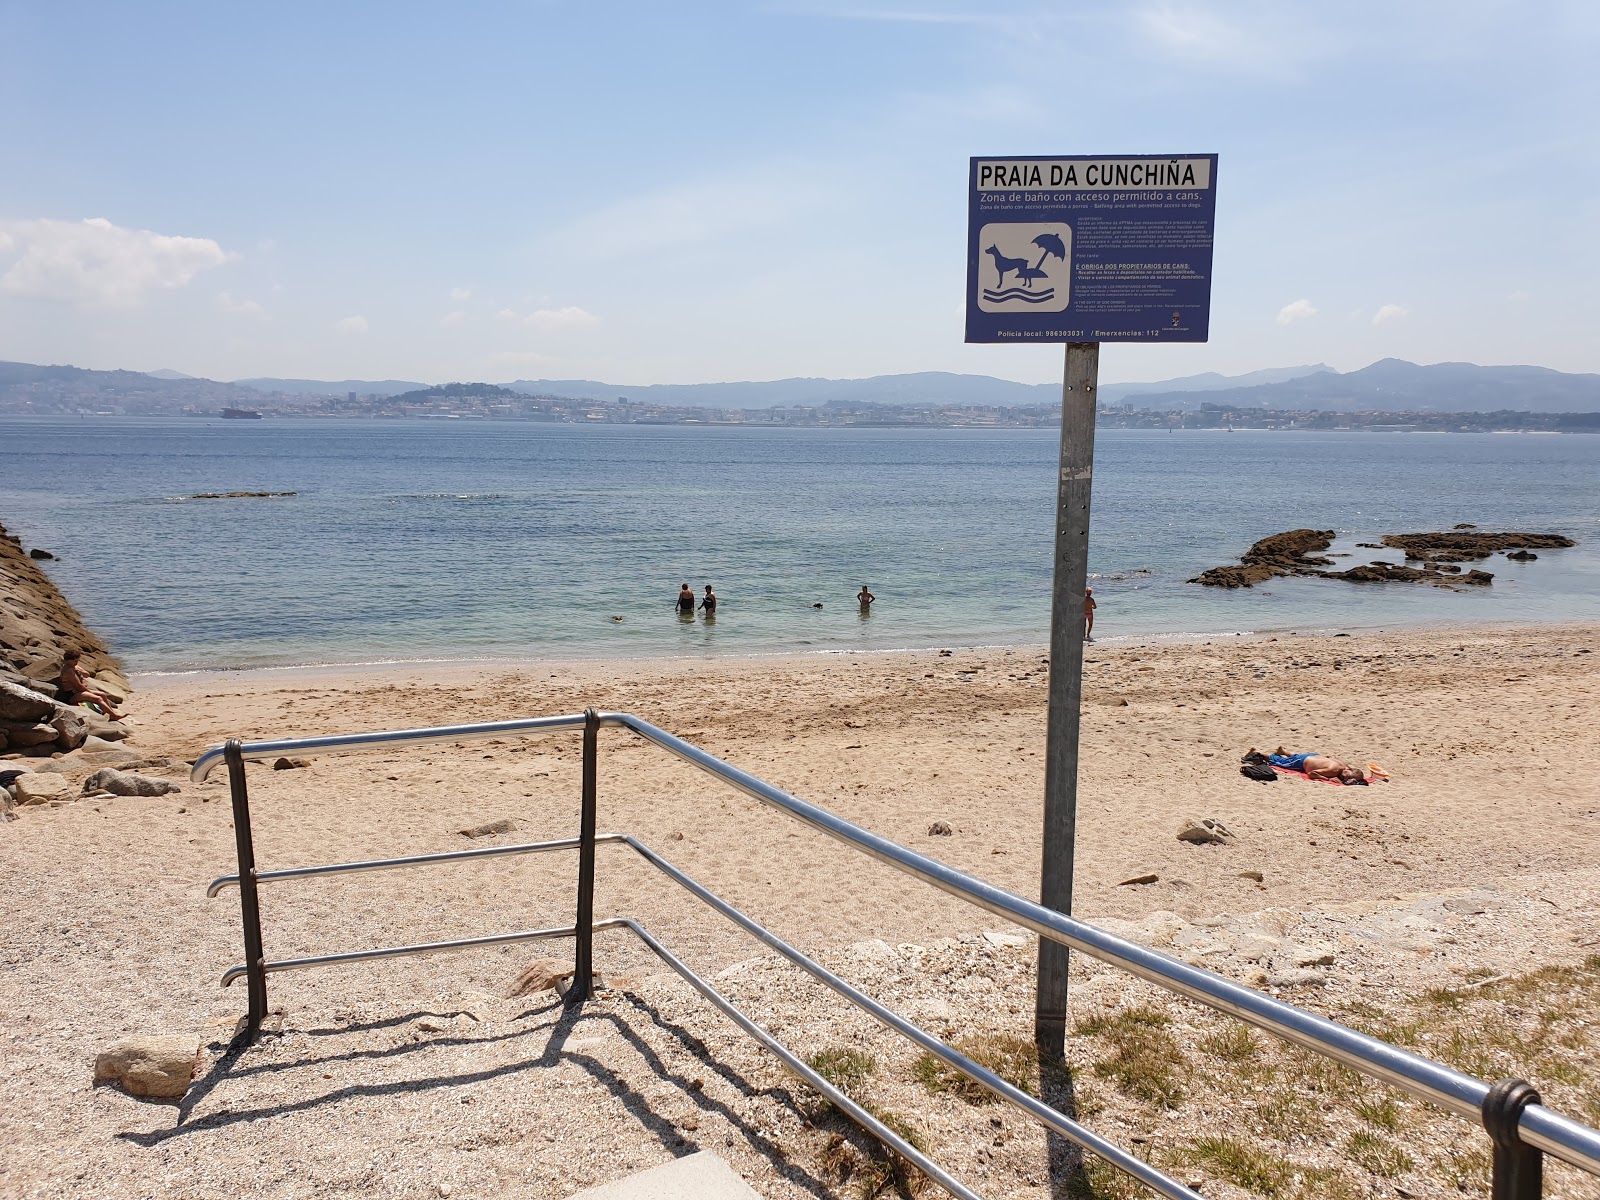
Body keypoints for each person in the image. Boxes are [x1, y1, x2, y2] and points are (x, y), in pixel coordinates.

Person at [57, 650, 127, 721]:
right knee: (98, 698)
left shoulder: (75, 667)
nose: (76, 663)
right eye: (74, 661)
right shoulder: (68, 670)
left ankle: (111, 712)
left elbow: (87, 675)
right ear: (67, 660)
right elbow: (78, 686)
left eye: (77, 661)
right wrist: (89, 692)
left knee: (102, 694)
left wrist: (80, 672)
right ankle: (114, 715)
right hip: (72, 694)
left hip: (78, 691)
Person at [1247, 746, 1367, 785]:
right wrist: (1329, 779)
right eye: (1348, 776)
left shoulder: (1344, 765)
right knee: (1279, 762)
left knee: (1294, 757)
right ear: (1349, 770)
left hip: (1313, 756)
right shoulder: (1333, 771)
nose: (1346, 778)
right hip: (1303, 762)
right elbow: (1312, 774)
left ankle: (1284, 751)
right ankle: (1258, 753)